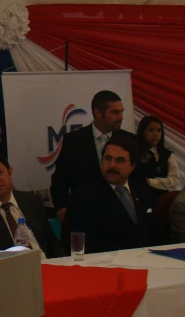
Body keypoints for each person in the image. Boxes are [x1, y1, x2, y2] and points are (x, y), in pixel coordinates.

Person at [51, 90, 136, 222]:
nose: (121, 117)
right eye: (115, 112)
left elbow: (138, 177)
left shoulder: (130, 140)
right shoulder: (74, 140)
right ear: (97, 113)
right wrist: (61, 208)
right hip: (85, 212)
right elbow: (60, 179)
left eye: (121, 111)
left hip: (122, 212)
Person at [67, 136, 157, 254]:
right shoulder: (84, 196)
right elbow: (87, 247)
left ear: (133, 166)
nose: (111, 165)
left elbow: (156, 234)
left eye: (119, 160)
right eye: (108, 158)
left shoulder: (143, 192)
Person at [136, 116, 180, 197]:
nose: (156, 134)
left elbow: (174, 180)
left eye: (159, 130)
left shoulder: (167, 155)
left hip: (161, 199)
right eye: (151, 130)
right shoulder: (134, 153)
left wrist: (150, 182)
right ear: (142, 132)